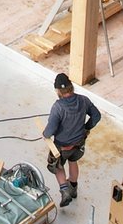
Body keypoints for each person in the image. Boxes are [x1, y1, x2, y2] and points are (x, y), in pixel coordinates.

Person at [42, 71, 101, 206]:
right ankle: (73, 188)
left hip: (62, 146)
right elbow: (97, 116)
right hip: (79, 143)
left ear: (58, 91)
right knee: (73, 162)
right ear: (71, 87)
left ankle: (65, 191)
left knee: (57, 166)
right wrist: (86, 128)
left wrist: (45, 135)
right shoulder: (83, 100)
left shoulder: (58, 107)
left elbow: (50, 130)